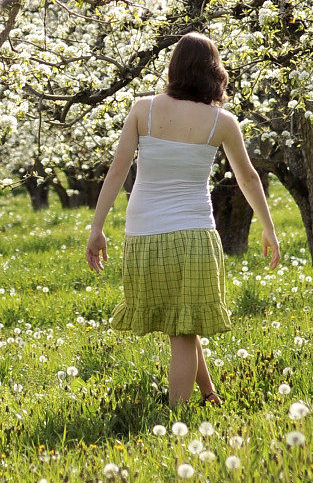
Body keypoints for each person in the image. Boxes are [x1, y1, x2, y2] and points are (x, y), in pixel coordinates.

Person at [85, 32, 281, 408]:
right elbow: (248, 177)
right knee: (184, 329)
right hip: (194, 235)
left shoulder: (144, 109)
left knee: (182, 327)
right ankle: (177, 421)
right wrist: (268, 228)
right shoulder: (222, 122)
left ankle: (209, 396)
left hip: (143, 234)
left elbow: (117, 170)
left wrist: (97, 227)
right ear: (214, 72)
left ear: (174, 68)